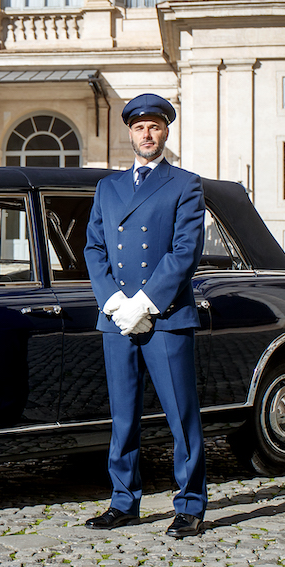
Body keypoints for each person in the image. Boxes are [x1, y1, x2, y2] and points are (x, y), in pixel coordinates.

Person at [83, 93, 208, 539]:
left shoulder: (185, 184)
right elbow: (93, 248)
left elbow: (184, 252)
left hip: (166, 316)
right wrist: (115, 302)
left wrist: (145, 303)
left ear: (166, 131)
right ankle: (123, 501)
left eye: (154, 126)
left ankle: (190, 505)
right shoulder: (108, 187)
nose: (147, 134)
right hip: (117, 320)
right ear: (130, 133)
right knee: (123, 417)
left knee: (181, 415)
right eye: (139, 128)